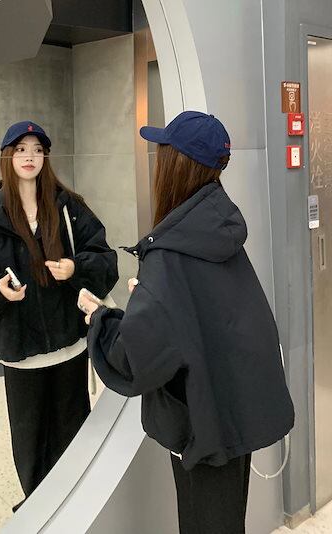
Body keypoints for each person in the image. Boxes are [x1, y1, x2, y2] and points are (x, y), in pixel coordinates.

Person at [78, 111, 295, 534]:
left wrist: (100, 318)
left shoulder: (171, 254)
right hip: (234, 411)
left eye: (162, 154)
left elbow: (135, 359)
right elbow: (214, 315)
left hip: (203, 423)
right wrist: (156, 299)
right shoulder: (218, 231)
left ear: (176, 165)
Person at [0, 121, 118, 511]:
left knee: (73, 427)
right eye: (21, 149)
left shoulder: (68, 206)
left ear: (46, 157)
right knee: (30, 437)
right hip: (20, 350)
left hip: (68, 344)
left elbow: (104, 258)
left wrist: (75, 267)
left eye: (37, 150)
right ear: (7, 156)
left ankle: (76, 506)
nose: (30, 156)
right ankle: (38, 507)